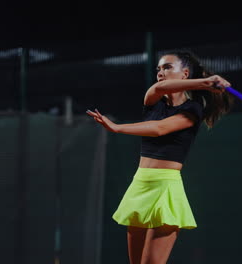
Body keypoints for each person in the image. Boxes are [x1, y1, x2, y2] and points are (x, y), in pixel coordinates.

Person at [86, 49, 234, 264]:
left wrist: (117, 128)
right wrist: (203, 83)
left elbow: (160, 128)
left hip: (165, 188)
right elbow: (159, 88)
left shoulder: (193, 109)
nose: (160, 72)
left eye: (167, 67)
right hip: (139, 185)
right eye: (159, 69)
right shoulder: (153, 100)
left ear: (185, 74)